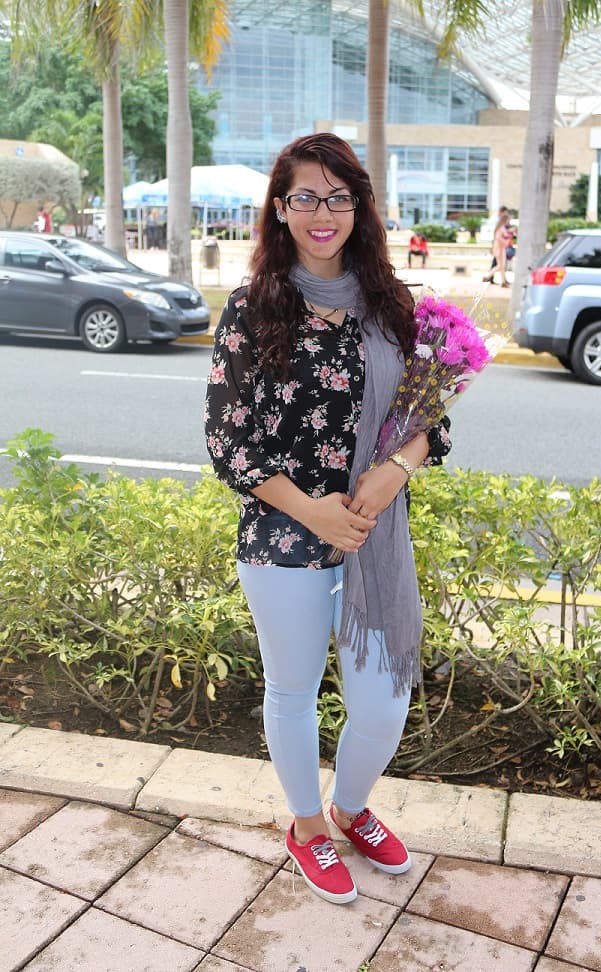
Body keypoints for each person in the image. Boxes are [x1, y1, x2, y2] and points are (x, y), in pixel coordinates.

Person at [204, 133, 451, 906]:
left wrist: (393, 471)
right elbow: (227, 439)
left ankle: (350, 806)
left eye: (337, 196)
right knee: (293, 691)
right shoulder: (252, 309)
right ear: (280, 209)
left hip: (374, 535)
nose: (322, 212)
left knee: (383, 704)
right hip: (283, 537)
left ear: (358, 208)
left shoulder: (393, 306)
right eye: (305, 196)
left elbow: (430, 418)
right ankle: (309, 826)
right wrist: (313, 512)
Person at [483, 206, 514, 286]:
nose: (509, 222)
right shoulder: (501, 228)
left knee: (501, 266)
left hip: (501, 248)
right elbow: (499, 238)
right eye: (508, 220)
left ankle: (503, 281)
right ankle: (488, 277)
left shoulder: (502, 228)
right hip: (499, 248)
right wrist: (506, 241)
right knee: (500, 265)